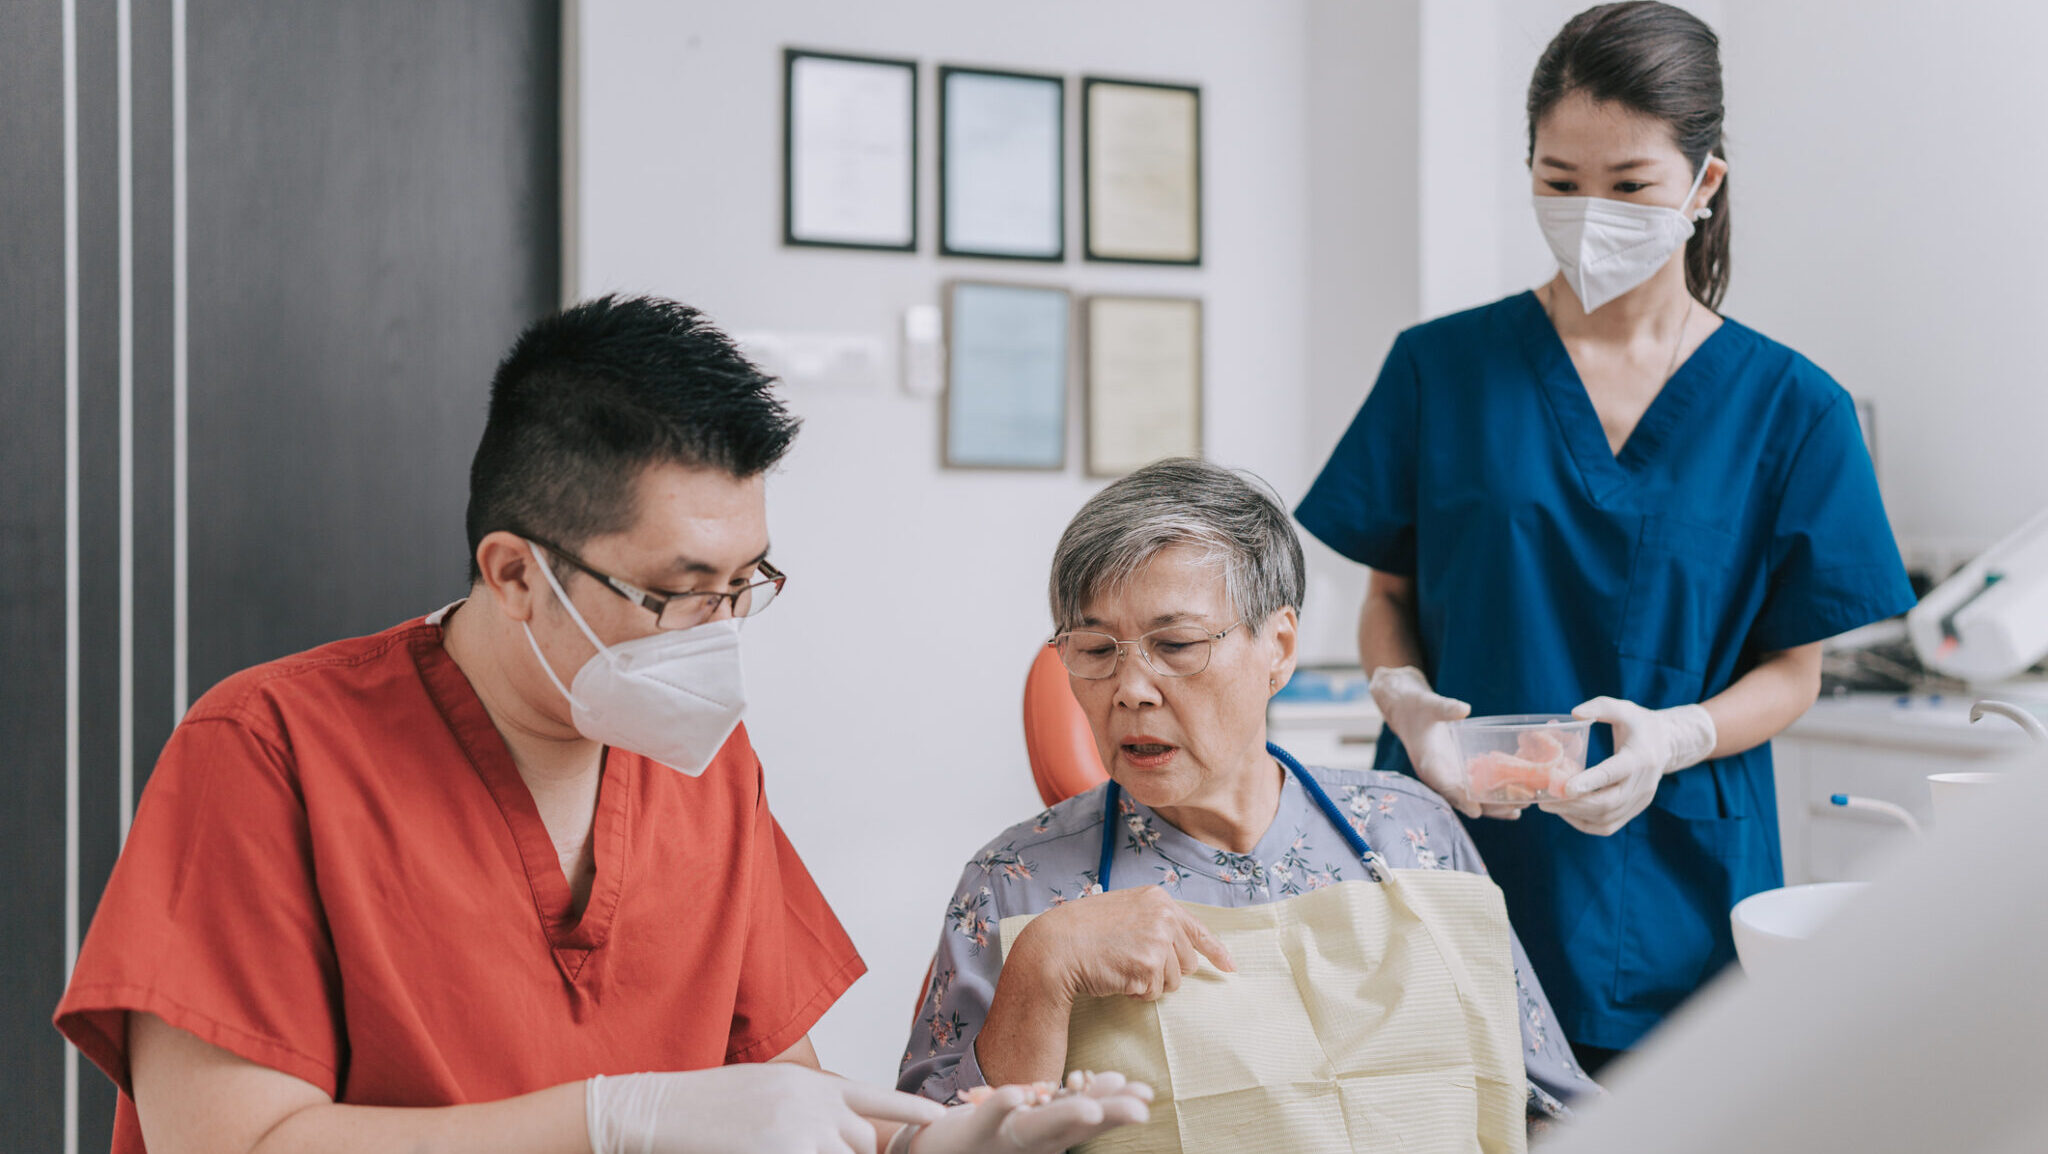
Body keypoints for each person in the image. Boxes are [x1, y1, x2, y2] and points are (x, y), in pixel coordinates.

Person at [54, 295, 1147, 1154]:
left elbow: (777, 1099)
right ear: (516, 572)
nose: (716, 629)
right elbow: (229, 1140)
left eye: (743, 580)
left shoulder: (701, 761)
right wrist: (610, 1118)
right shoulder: (268, 749)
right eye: (677, 590)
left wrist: (936, 1142)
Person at [1294, 2, 1915, 1075]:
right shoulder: (1439, 369)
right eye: (1557, 180)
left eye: (1628, 186)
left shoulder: (1789, 406)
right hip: (1452, 849)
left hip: (1673, 878)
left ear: (1702, 184)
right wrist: (1399, 697)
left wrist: (1673, 737)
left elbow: (1792, 670)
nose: (1590, 213)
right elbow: (1386, 589)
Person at [900, 458, 1599, 1148]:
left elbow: (1551, 1109)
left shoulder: (1411, 832)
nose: (1131, 688)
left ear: (1280, 647)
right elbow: (927, 1143)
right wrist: (1042, 972)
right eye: (1095, 648)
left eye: (1175, 644)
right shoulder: (1015, 885)